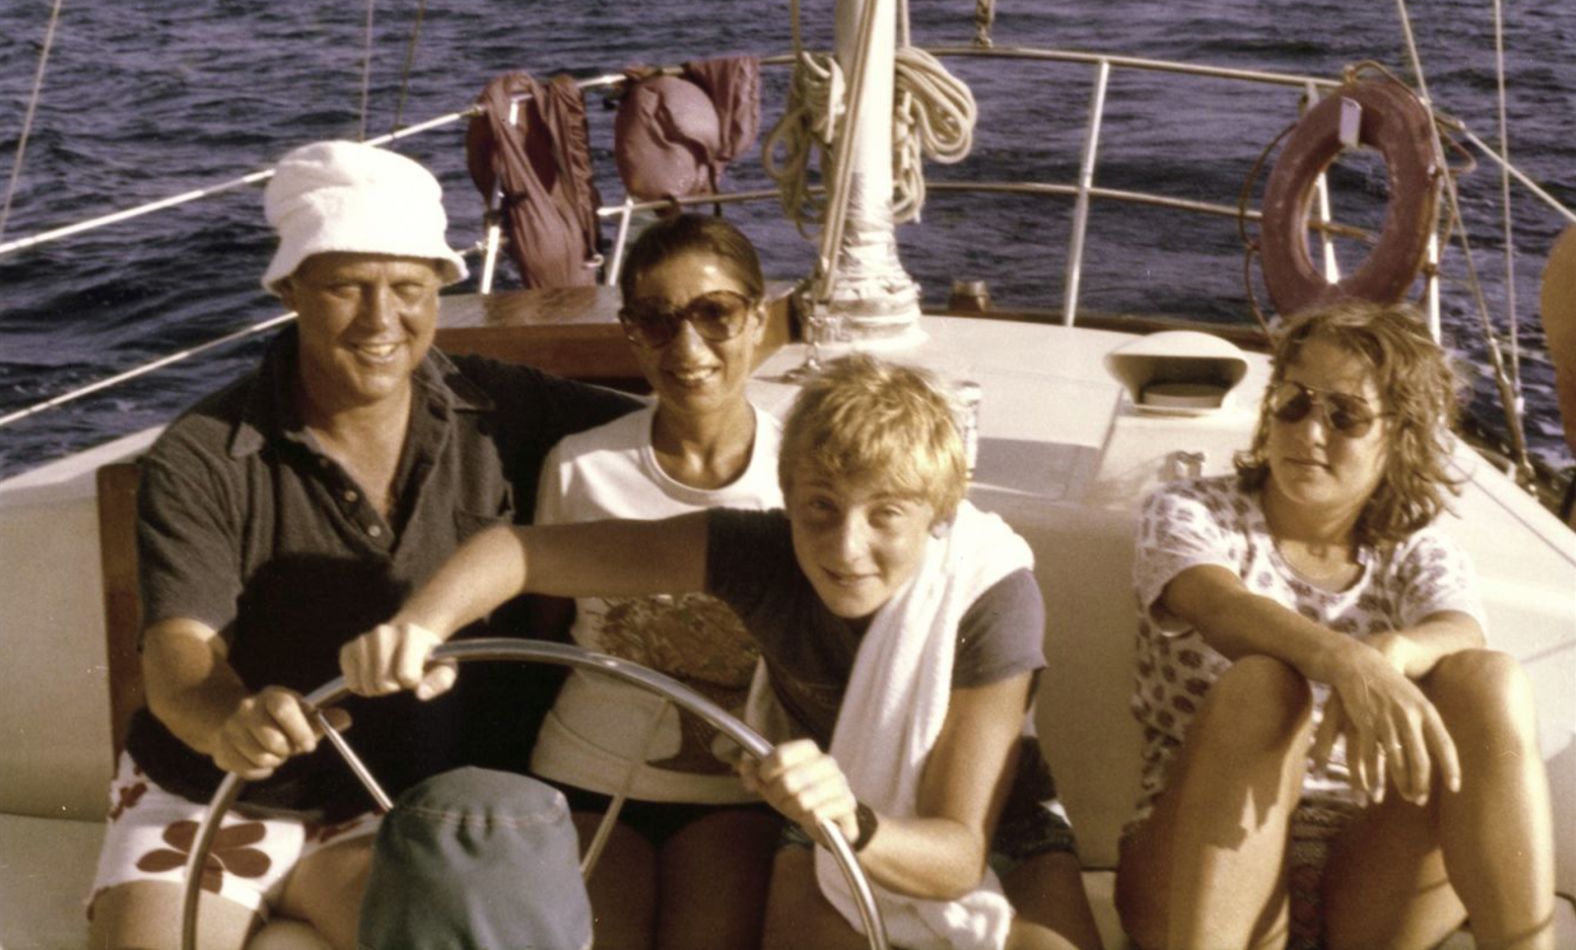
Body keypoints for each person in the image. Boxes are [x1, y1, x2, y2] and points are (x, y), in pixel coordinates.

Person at [342, 353, 1103, 950]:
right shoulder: (763, 553)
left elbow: (958, 857)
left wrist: (856, 819)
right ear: (789, 499)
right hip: (817, 823)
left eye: (887, 515)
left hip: (1001, 834)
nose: (846, 547)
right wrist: (420, 623)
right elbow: (522, 552)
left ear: (936, 513)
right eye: (820, 509)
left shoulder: (990, 598)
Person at [87, 140, 637, 950]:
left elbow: (665, 436)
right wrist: (231, 721)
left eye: (409, 289)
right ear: (289, 290)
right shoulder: (203, 452)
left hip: (394, 805)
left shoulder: (512, 411)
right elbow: (178, 664)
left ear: (439, 292)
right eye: (347, 287)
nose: (383, 321)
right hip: (210, 791)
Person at [1113, 301, 1556, 950]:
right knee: (1266, 684)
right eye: (1295, 401)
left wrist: (1393, 651)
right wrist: (1345, 663)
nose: (1309, 432)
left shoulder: (1413, 551)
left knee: (1488, 680)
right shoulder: (1189, 512)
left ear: (1401, 434)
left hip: (1365, 880)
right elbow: (1219, 608)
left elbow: (1460, 629)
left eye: (1344, 415)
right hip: (1193, 872)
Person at [526, 213, 784, 949]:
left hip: (737, 791)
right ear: (632, 331)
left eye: (716, 314)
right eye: (657, 320)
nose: (689, 347)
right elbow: (549, 634)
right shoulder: (578, 466)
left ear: (759, 319)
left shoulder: (806, 471)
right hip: (582, 775)